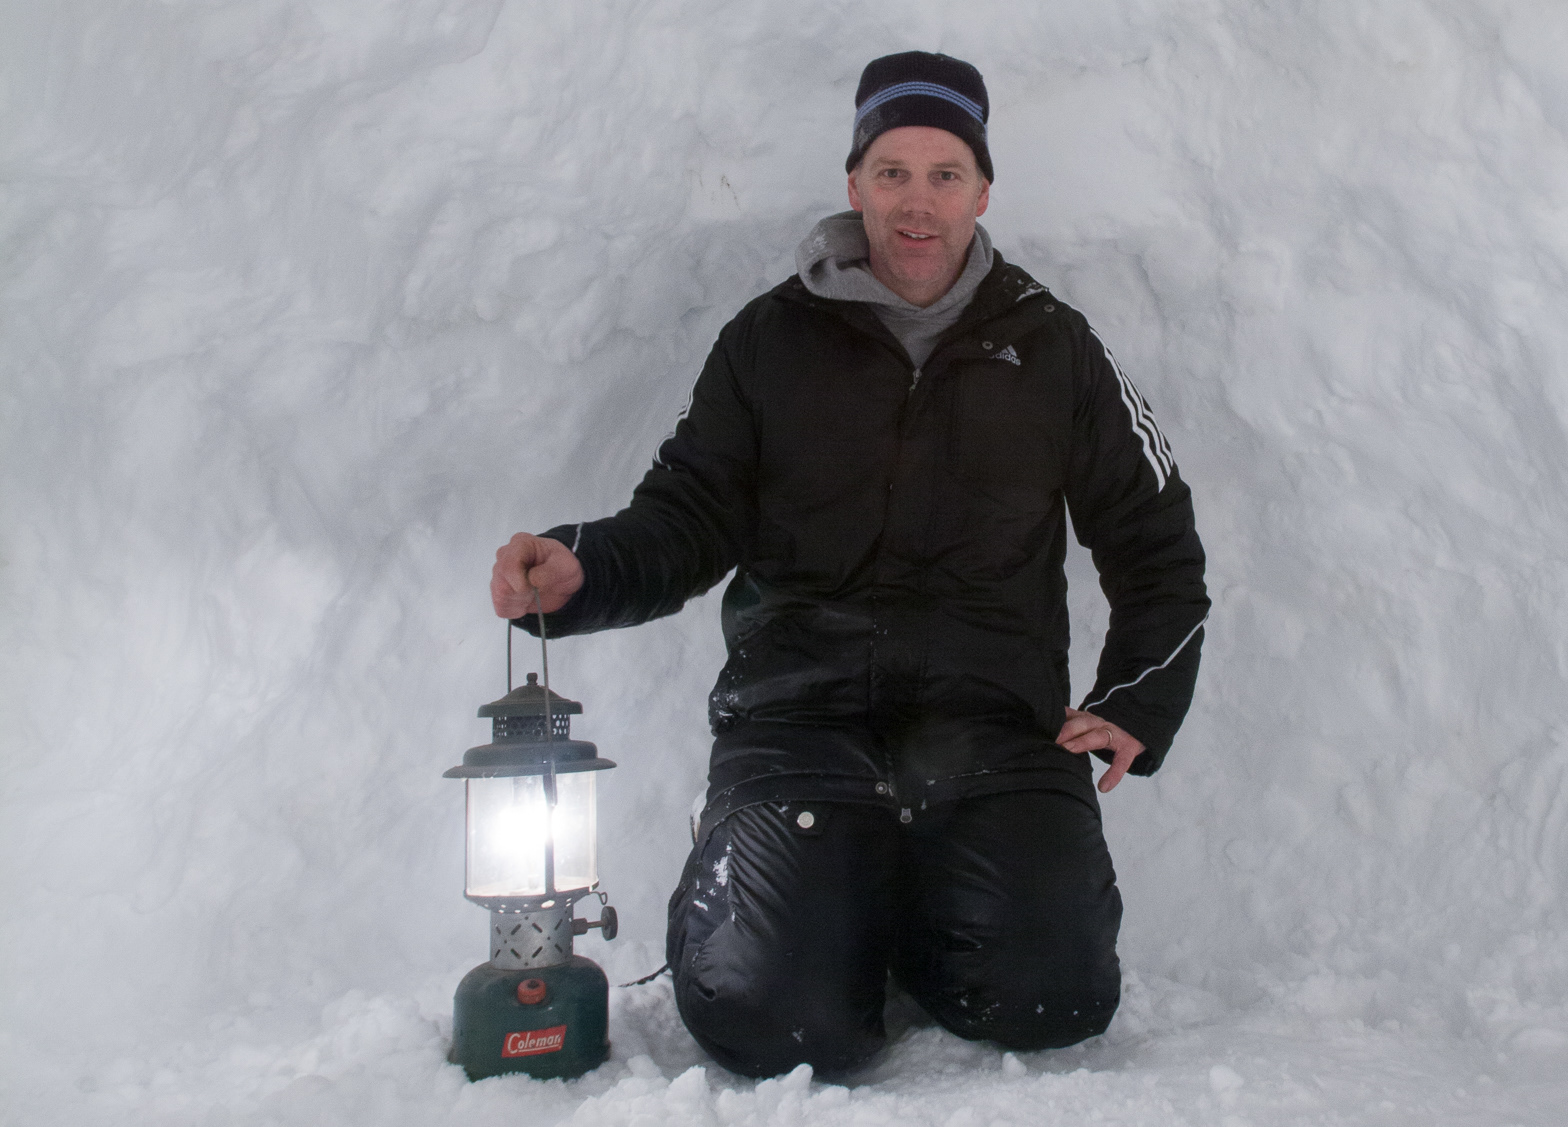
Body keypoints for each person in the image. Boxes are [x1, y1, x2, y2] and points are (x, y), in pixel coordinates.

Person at [488, 51, 1207, 1078]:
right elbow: (685, 512)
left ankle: (895, 908)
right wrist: (582, 569)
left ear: (982, 191)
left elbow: (1156, 541)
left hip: (990, 736)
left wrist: (1137, 696)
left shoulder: (1054, 349)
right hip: (800, 725)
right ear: (854, 184)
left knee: (1051, 995)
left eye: (945, 174)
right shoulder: (769, 341)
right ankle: (778, 881)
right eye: (892, 172)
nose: (918, 203)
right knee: (770, 1019)